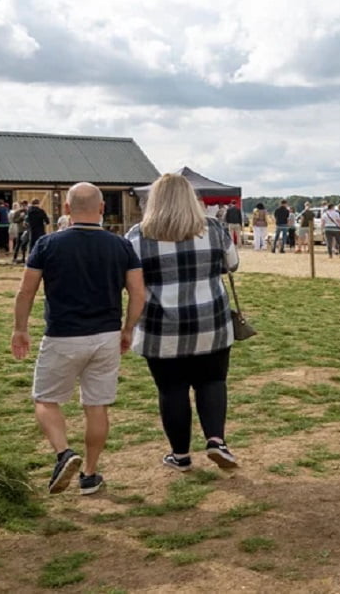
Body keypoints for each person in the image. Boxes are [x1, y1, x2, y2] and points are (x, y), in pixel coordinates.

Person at [12, 183, 145, 496]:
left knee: (45, 399)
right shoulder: (121, 245)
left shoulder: (47, 244)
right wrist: (128, 329)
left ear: (67, 210)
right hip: (106, 334)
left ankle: (63, 453)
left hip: (63, 335)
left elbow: (26, 290)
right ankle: (90, 472)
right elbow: (138, 292)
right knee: (96, 406)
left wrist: (20, 327)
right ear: (101, 209)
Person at [125, 173, 241, 473]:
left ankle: (180, 455)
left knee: (172, 390)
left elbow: (129, 281)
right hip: (210, 322)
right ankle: (216, 440)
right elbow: (233, 264)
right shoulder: (213, 228)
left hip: (161, 328)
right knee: (212, 382)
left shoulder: (138, 235)